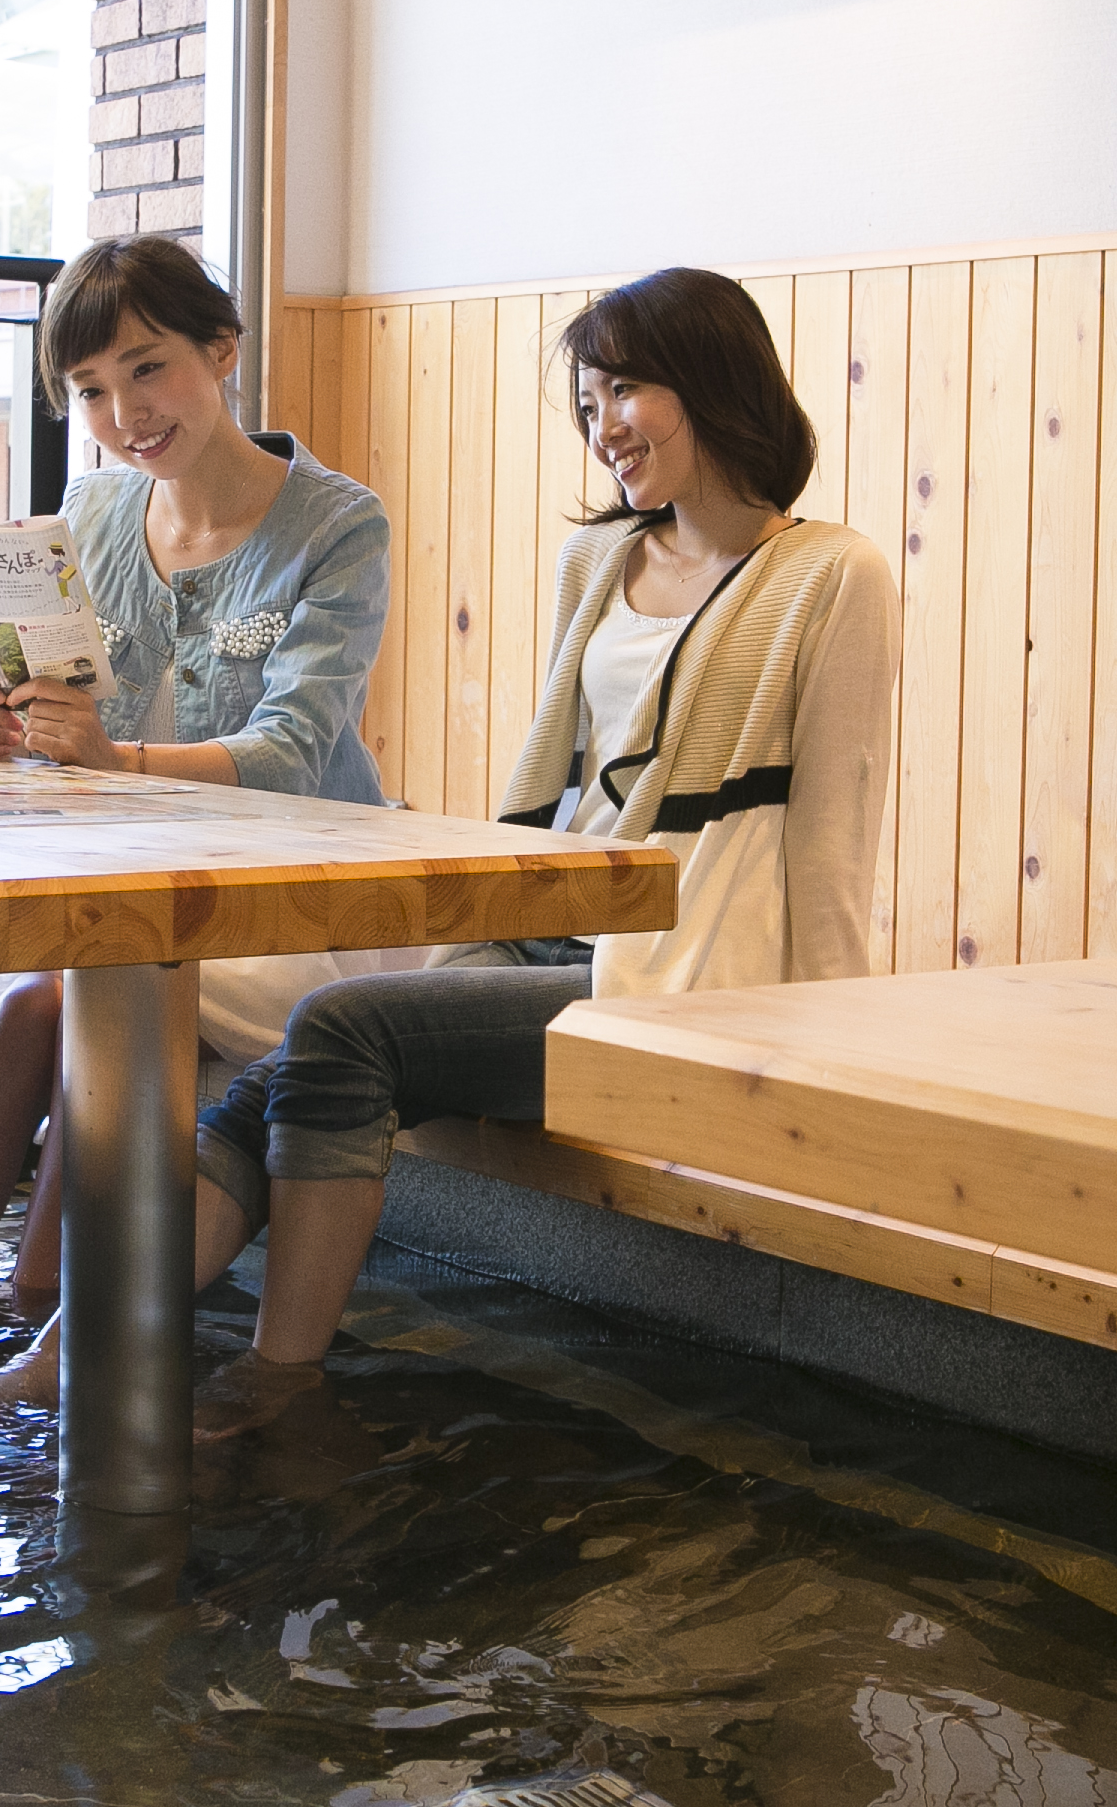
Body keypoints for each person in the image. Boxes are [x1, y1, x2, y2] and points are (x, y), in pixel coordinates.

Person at [182, 265, 895, 1437]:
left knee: (345, 1029)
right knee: (276, 1079)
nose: (603, 426)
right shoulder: (599, 561)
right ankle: (86, 1352)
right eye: (591, 399)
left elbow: (833, 831)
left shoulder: (831, 574)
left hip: (686, 968)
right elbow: (553, 787)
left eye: (627, 391)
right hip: (547, 923)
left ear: (714, 382)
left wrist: (833, 1065)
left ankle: (277, 1383)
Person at [0, 234, 397, 1344]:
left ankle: (16, 1314)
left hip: (307, 901)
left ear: (222, 348)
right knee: (66, 991)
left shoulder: (339, 522)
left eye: (148, 367)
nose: (125, 414)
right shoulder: (94, 515)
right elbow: (56, 731)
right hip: (140, 892)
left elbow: (293, 752)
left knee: (72, 998)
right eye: (92, 390)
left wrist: (111, 761)